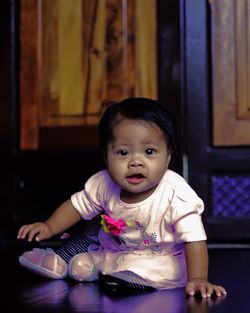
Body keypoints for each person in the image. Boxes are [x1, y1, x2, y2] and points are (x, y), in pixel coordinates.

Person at [17, 98, 227, 298]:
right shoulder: (103, 183)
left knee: (147, 269)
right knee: (88, 235)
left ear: (168, 156)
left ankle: (111, 274)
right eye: (123, 152)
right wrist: (49, 226)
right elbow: (76, 207)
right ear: (106, 157)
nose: (136, 161)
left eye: (150, 151)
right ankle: (59, 261)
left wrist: (199, 278)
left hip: (159, 256)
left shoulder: (176, 194)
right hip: (116, 245)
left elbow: (194, 240)